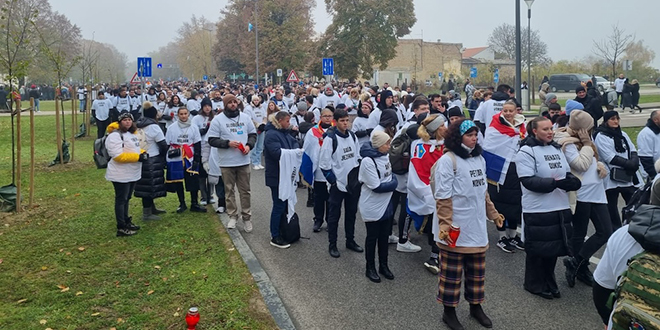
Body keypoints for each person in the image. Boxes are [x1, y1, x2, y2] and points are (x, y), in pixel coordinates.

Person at [433, 119, 504, 330]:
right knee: (452, 275)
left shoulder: (479, 159)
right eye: (469, 135)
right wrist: (445, 224)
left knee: (476, 272)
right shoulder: (449, 160)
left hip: (476, 226)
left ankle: (475, 307)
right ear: (458, 137)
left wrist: (493, 214)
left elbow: (483, 192)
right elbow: (443, 196)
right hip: (454, 228)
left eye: (476, 134)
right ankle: (449, 312)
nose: (474, 138)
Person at [515, 116, 581, 299]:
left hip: (559, 205)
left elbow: (566, 173)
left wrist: (572, 183)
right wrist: (555, 184)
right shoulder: (526, 152)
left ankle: (549, 280)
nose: (550, 132)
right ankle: (534, 284)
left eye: (551, 128)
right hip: (537, 208)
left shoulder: (556, 148)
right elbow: (528, 180)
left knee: (552, 249)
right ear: (534, 131)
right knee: (538, 250)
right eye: (545, 129)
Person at [553, 110, 611, 288]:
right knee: (579, 233)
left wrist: (599, 164)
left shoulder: (586, 139)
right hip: (582, 194)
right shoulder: (566, 142)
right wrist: (586, 144)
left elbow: (592, 160)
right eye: (590, 127)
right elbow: (580, 164)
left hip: (597, 192)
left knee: (605, 231)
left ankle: (575, 262)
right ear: (582, 128)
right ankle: (581, 268)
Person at [208, 94, 257, 232]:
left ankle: (247, 218)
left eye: (235, 102)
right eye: (230, 103)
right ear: (225, 105)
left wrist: (249, 145)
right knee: (229, 191)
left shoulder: (245, 118)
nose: (233, 104)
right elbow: (212, 140)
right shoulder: (218, 120)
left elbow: (253, 135)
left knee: (245, 191)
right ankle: (232, 216)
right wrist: (227, 143)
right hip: (227, 162)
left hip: (243, 160)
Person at [482, 100, 526, 253]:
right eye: (505, 110)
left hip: (516, 167)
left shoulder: (521, 125)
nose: (507, 113)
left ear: (515, 111)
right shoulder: (494, 126)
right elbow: (489, 145)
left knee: (515, 203)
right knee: (500, 203)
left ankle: (513, 235)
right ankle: (502, 237)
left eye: (510, 111)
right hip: (499, 170)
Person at [319, 109, 363, 258]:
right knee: (334, 216)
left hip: (352, 184)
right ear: (336, 122)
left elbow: (357, 157)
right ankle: (332, 244)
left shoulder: (352, 136)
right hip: (337, 185)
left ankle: (350, 240)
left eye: (347, 120)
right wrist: (334, 182)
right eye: (342, 121)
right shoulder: (330, 139)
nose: (345, 123)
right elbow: (324, 164)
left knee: (351, 214)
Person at [408, 114, 446, 273]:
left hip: (447, 191)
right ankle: (434, 256)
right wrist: (430, 192)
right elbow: (420, 171)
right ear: (436, 129)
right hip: (432, 191)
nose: (446, 127)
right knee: (436, 224)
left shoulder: (447, 144)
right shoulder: (421, 146)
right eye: (443, 125)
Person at [359, 130, 397, 282]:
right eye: (387, 143)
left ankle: (384, 265)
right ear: (379, 145)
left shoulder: (385, 156)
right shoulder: (368, 161)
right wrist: (394, 184)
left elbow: (389, 175)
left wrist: (391, 182)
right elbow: (376, 186)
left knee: (384, 237)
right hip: (373, 204)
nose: (389, 146)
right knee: (372, 237)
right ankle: (370, 267)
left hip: (386, 203)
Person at [594, 111, 643, 230]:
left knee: (634, 202)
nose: (616, 121)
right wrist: (629, 164)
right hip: (612, 177)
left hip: (627, 175)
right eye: (612, 119)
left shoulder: (623, 134)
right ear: (606, 121)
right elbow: (609, 157)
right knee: (612, 207)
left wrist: (634, 161)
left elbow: (632, 149)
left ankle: (632, 226)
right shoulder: (601, 136)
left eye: (617, 118)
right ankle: (615, 230)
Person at [105, 112, 148, 237]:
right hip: (120, 173)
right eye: (125, 120)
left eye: (129, 120)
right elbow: (117, 155)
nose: (128, 122)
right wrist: (137, 157)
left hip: (132, 172)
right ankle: (121, 226)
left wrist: (142, 153)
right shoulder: (115, 136)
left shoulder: (131, 134)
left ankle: (126, 221)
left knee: (127, 198)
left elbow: (133, 149)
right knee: (121, 199)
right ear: (119, 122)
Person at [264, 111, 302, 249]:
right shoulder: (271, 134)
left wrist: (295, 150)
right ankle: (275, 235)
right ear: (279, 121)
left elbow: (295, 144)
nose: (289, 123)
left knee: (285, 204)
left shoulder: (284, 132)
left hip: (285, 175)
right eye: (287, 121)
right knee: (279, 205)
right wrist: (293, 152)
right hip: (276, 176)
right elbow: (276, 153)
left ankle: (284, 230)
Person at [165, 107, 206, 213]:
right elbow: (167, 143)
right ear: (178, 115)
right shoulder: (172, 127)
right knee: (178, 181)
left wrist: (197, 158)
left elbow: (197, 143)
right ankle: (182, 203)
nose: (183, 116)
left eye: (185, 113)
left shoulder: (193, 127)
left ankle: (194, 203)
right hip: (176, 157)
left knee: (193, 179)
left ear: (188, 114)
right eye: (181, 114)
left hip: (190, 156)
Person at [134, 102, 168, 220]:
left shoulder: (139, 125)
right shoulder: (154, 126)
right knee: (149, 185)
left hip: (142, 157)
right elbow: (163, 144)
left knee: (147, 184)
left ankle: (151, 208)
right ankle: (147, 214)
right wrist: (164, 156)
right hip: (152, 158)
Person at [191, 98, 215, 205]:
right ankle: (203, 196)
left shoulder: (215, 118)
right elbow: (194, 133)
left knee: (211, 172)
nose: (207, 108)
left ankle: (210, 195)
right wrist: (205, 129)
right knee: (201, 174)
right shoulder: (196, 118)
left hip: (211, 148)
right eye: (205, 106)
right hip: (200, 147)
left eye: (209, 106)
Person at [245, 95, 267, 170]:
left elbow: (265, 117)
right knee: (254, 146)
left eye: (257, 100)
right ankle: (254, 162)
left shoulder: (262, 108)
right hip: (253, 129)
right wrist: (257, 124)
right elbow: (249, 119)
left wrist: (263, 124)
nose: (256, 102)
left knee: (260, 146)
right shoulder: (248, 108)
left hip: (261, 129)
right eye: (255, 100)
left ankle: (258, 162)